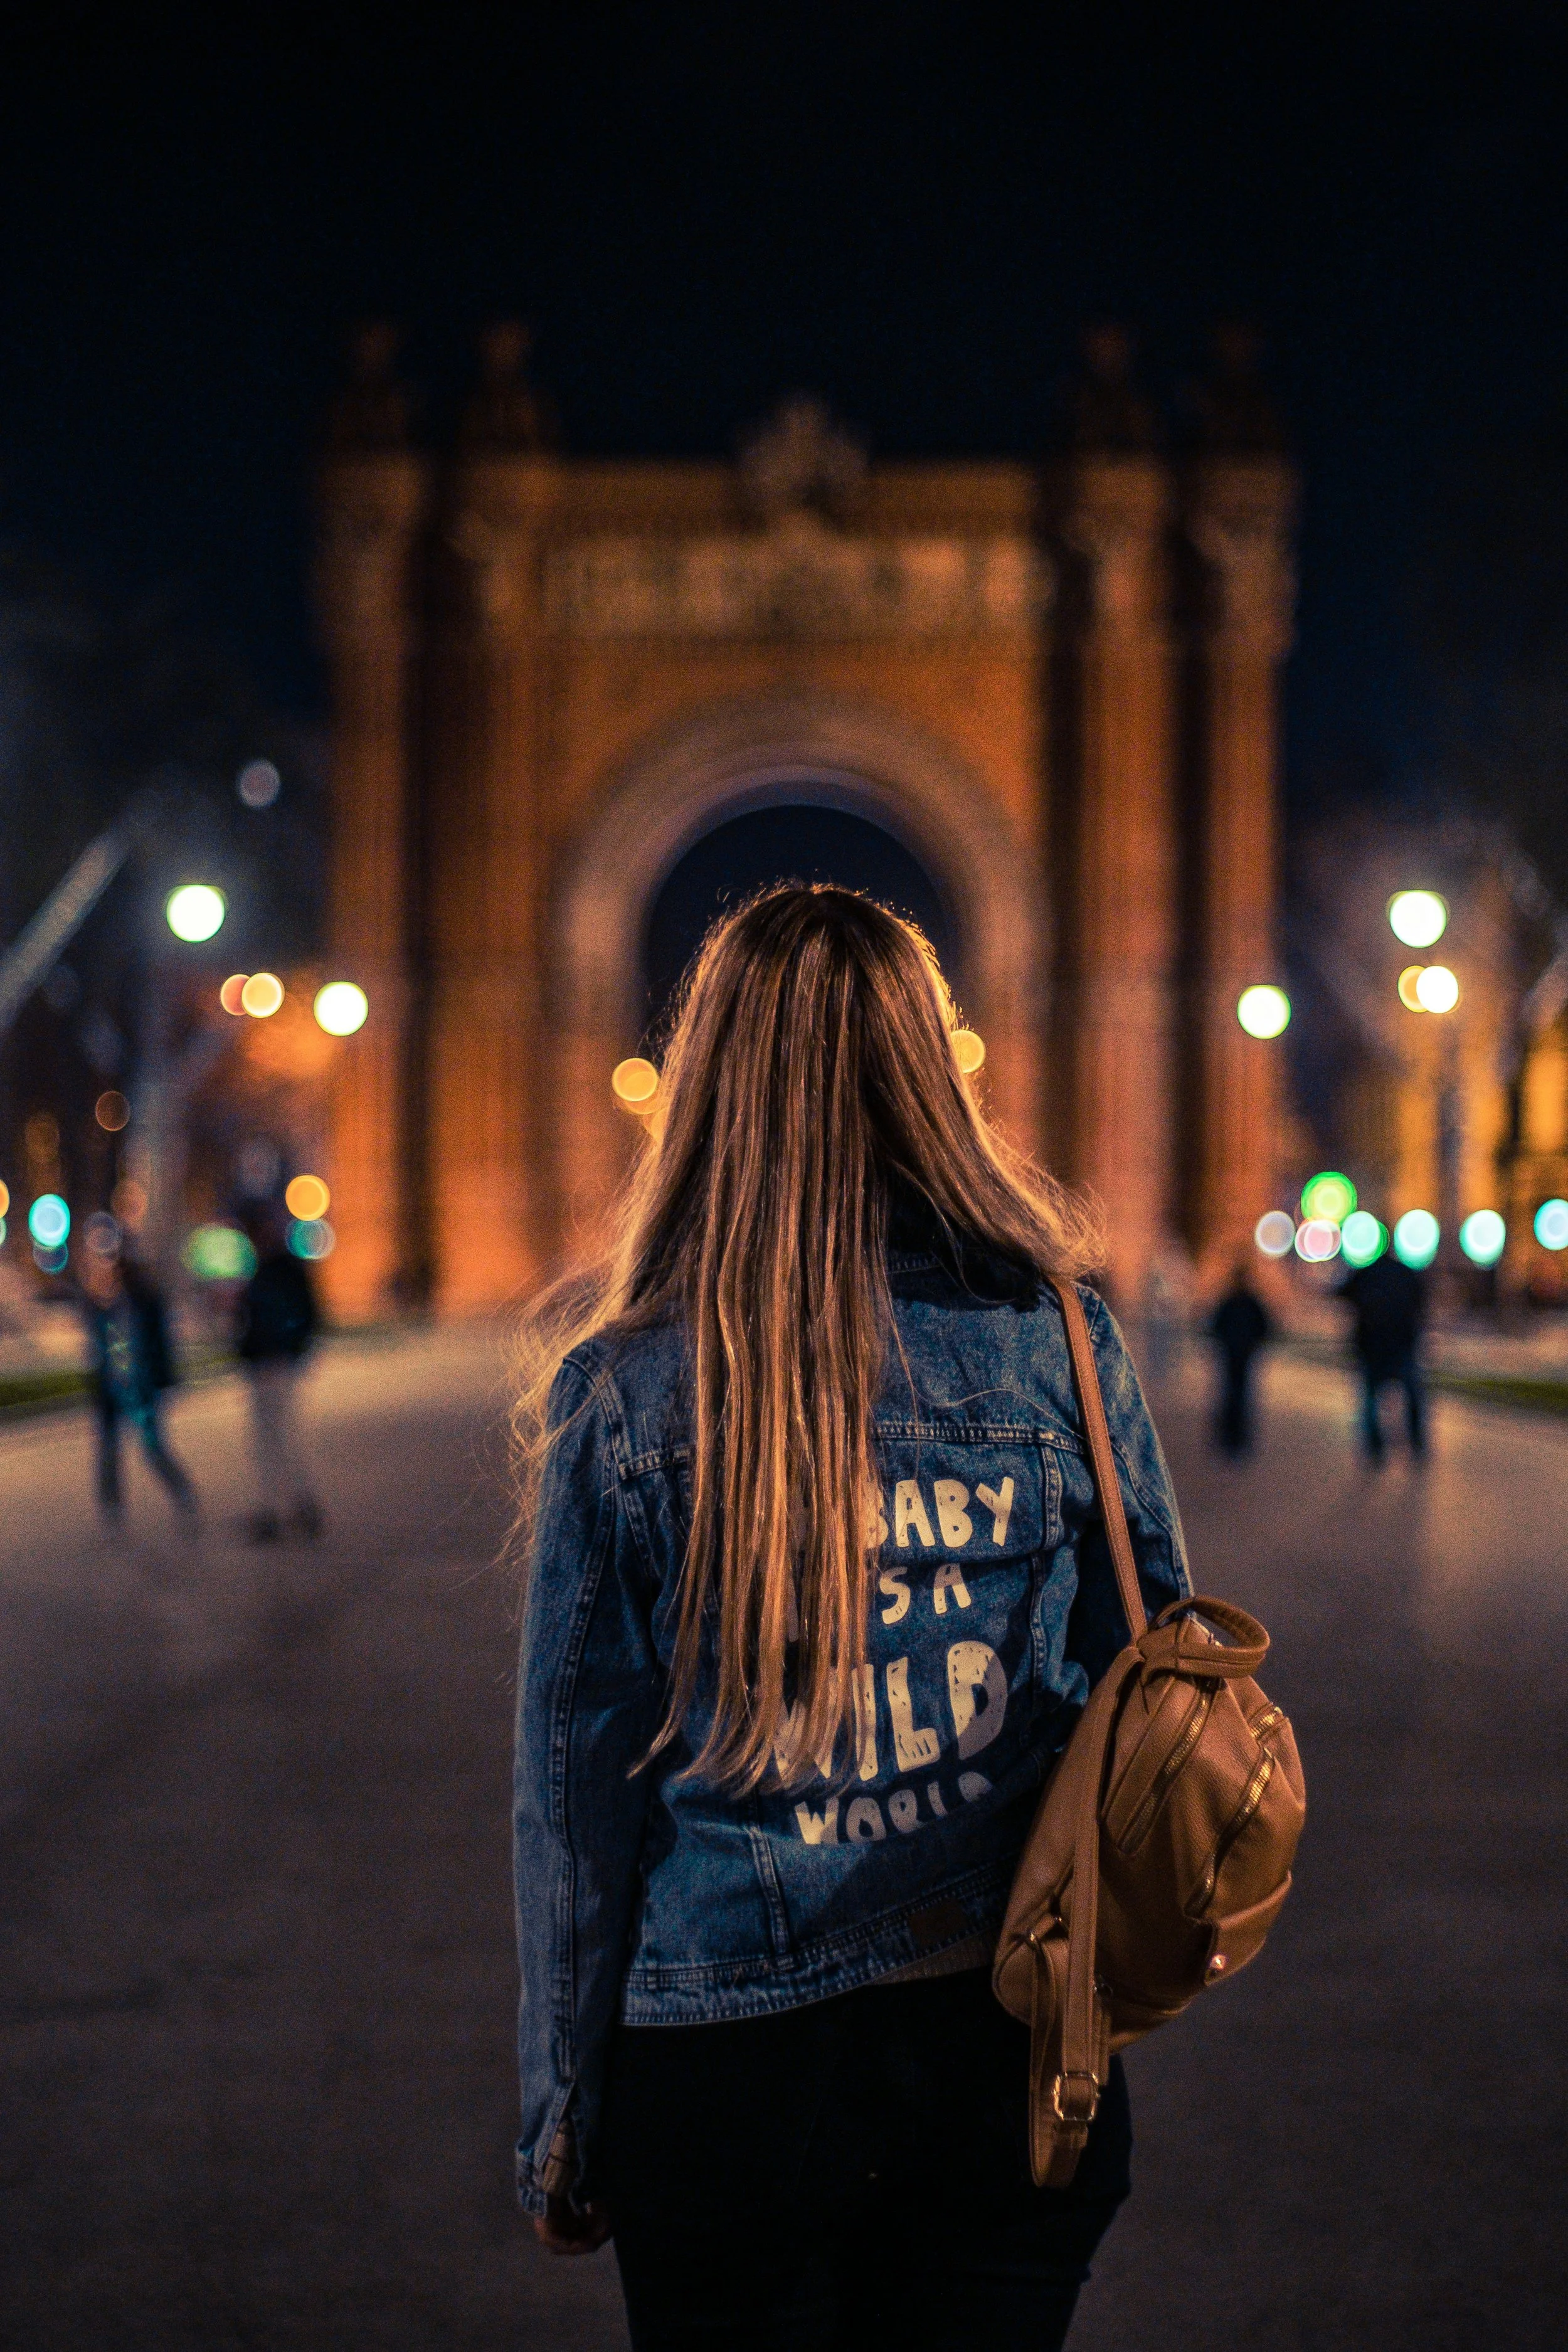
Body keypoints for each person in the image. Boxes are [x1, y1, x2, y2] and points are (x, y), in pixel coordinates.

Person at [511, 886, 1190, 2351]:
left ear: (706, 1087)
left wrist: (564, 2116)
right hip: (1004, 2046)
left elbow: (578, 1798)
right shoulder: (1057, 1336)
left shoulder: (623, 1389)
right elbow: (1163, 1668)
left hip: (723, 2071)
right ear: (933, 1070)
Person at [79, 1249, 198, 1525]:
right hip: (113, 1388)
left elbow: (160, 1349)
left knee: (151, 1446)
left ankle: (181, 1492)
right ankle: (112, 1508)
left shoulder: (147, 1306)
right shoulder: (112, 1307)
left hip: (139, 1389)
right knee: (110, 1450)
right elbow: (102, 1345)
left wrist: (161, 1381)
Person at [236, 1205, 324, 1539]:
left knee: (275, 1439)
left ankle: (280, 1509)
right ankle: (290, 1506)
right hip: (265, 1362)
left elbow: (302, 1315)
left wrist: (290, 1350)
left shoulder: (280, 1270)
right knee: (274, 1438)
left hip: (275, 1362)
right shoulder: (268, 1269)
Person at [1338, 1248, 1428, 1463]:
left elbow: (1343, 1293)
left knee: (1370, 1396)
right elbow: (1421, 1302)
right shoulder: (1405, 1273)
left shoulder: (1366, 1274)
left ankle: (1375, 1446)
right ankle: (1416, 1441)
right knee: (1412, 1393)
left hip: (1372, 1345)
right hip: (1401, 1343)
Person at [1207, 1261, 1274, 1456]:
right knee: (1239, 1393)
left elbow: (1216, 1325)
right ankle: (1236, 1436)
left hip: (1235, 1352)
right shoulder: (1248, 1301)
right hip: (1242, 1353)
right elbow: (1265, 1327)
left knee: (1232, 1393)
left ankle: (1232, 1436)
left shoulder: (1232, 1300)